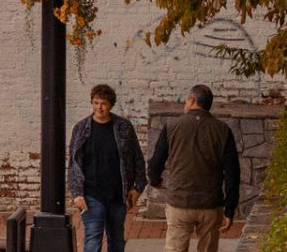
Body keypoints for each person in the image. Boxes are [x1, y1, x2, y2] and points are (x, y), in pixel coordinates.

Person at [149, 84, 242, 252]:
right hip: (211, 205)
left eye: (186, 101)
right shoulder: (223, 130)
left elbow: (156, 162)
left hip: (179, 202)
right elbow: (232, 175)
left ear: (192, 101)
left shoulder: (171, 126)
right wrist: (229, 209)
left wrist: (155, 181)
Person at [70, 83, 147, 252]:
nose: (99, 107)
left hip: (118, 195)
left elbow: (138, 159)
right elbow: (74, 163)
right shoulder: (81, 129)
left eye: (103, 103)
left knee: (116, 239)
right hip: (91, 195)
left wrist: (138, 187)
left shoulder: (123, 127)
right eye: (96, 102)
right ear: (92, 103)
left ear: (111, 105)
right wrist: (77, 193)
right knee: (92, 238)